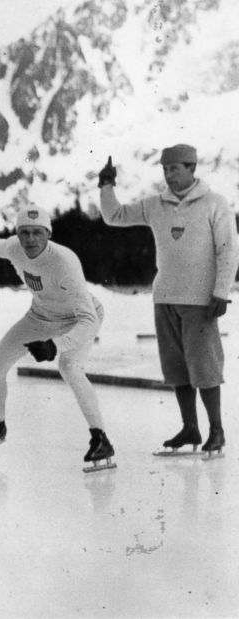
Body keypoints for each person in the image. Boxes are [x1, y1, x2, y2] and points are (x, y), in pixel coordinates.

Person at [0, 206, 116, 470]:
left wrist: (56, 345)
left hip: (78, 318)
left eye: (38, 232)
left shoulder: (64, 261)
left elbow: (89, 320)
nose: (30, 239)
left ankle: (100, 437)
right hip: (39, 317)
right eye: (24, 232)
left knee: (69, 367)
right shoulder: (15, 247)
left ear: (48, 233)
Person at [99, 146, 239, 456]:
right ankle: (190, 427)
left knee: (204, 366)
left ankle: (217, 430)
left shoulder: (214, 204)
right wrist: (106, 185)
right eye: (165, 169)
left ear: (192, 167)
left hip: (201, 300)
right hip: (164, 298)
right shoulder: (156, 205)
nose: (168, 174)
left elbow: (228, 250)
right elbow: (115, 216)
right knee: (176, 368)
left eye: (174, 168)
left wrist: (220, 291)